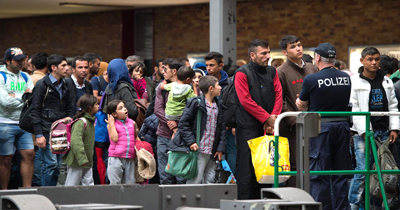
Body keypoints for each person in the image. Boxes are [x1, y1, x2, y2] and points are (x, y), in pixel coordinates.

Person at [296, 42, 352, 210]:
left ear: (318, 58)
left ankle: (322, 207)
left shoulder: (311, 79)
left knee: (319, 172)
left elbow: (301, 104)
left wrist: (303, 102)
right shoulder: (345, 77)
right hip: (342, 126)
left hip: (321, 127)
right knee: (340, 173)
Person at [348, 47, 400, 210]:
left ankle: (378, 204)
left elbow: (393, 105)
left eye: (376, 59)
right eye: (370, 59)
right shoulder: (355, 81)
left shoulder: (386, 81)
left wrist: (394, 128)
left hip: (384, 131)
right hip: (363, 133)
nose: (374, 62)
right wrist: (364, 131)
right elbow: (354, 108)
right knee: (363, 170)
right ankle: (354, 204)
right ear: (362, 61)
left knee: (384, 170)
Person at [234, 40, 282, 199]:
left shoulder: (272, 72)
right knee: (247, 172)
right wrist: (267, 118)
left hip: (269, 128)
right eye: (264, 53)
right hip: (248, 130)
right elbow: (245, 100)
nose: (268, 56)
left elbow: (278, 95)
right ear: (252, 55)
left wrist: (273, 119)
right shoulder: (242, 73)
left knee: (267, 172)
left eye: (268, 52)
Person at [276, 35, 318, 186]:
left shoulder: (312, 68)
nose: (298, 48)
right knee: (296, 166)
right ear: (285, 52)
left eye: (299, 45)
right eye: (293, 47)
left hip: (315, 124)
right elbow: (279, 100)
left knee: (315, 165)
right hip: (293, 128)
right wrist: (294, 121)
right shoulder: (281, 72)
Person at [173, 76, 226, 184]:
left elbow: (222, 128)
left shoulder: (218, 105)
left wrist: (220, 148)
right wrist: (191, 142)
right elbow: (184, 124)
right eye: (218, 85)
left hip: (212, 151)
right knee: (195, 179)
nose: (220, 88)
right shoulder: (196, 103)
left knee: (211, 180)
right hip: (198, 150)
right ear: (211, 88)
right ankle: (190, 201)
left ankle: (209, 201)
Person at [31, 54, 74, 186]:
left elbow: (71, 107)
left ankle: (53, 192)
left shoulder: (66, 84)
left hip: (61, 130)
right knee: (51, 164)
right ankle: (45, 193)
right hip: (46, 129)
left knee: (59, 166)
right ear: (54, 68)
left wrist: (70, 118)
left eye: (67, 65)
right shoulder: (42, 84)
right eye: (63, 65)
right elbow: (35, 110)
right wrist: (38, 134)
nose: (67, 68)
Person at [0, 47, 35, 189]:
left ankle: (27, 190)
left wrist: (15, 95)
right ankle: (4, 192)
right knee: (6, 159)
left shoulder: (26, 76)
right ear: (8, 61)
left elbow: (32, 98)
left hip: (23, 123)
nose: (21, 62)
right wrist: (24, 96)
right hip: (4, 122)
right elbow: (4, 102)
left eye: (22, 59)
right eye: (17, 60)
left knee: (29, 154)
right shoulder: (2, 76)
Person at [154, 58, 186, 185]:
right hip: (163, 135)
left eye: (165, 69)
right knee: (165, 176)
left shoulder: (186, 88)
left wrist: (178, 125)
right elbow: (158, 109)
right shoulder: (161, 87)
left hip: (182, 136)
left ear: (174, 71)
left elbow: (189, 111)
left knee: (181, 177)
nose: (162, 71)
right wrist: (172, 125)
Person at [63, 94, 98, 186]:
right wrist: (82, 158)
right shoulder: (81, 122)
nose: (98, 106)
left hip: (87, 161)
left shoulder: (90, 122)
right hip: (77, 161)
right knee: (72, 185)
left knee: (89, 185)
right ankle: (68, 201)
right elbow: (76, 142)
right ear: (89, 107)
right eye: (96, 104)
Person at [106, 100, 138, 185]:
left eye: (124, 106)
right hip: (116, 158)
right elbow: (115, 138)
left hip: (130, 158)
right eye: (120, 108)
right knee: (115, 184)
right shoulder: (110, 125)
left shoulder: (132, 123)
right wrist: (112, 124)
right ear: (114, 114)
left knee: (130, 184)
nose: (124, 109)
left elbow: (135, 137)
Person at [160, 66, 196, 137]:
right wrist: (194, 87)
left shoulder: (172, 85)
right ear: (188, 79)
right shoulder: (188, 88)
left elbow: (162, 86)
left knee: (175, 131)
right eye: (192, 79)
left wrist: (165, 80)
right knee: (179, 132)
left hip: (168, 114)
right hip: (180, 116)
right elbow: (194, 100)